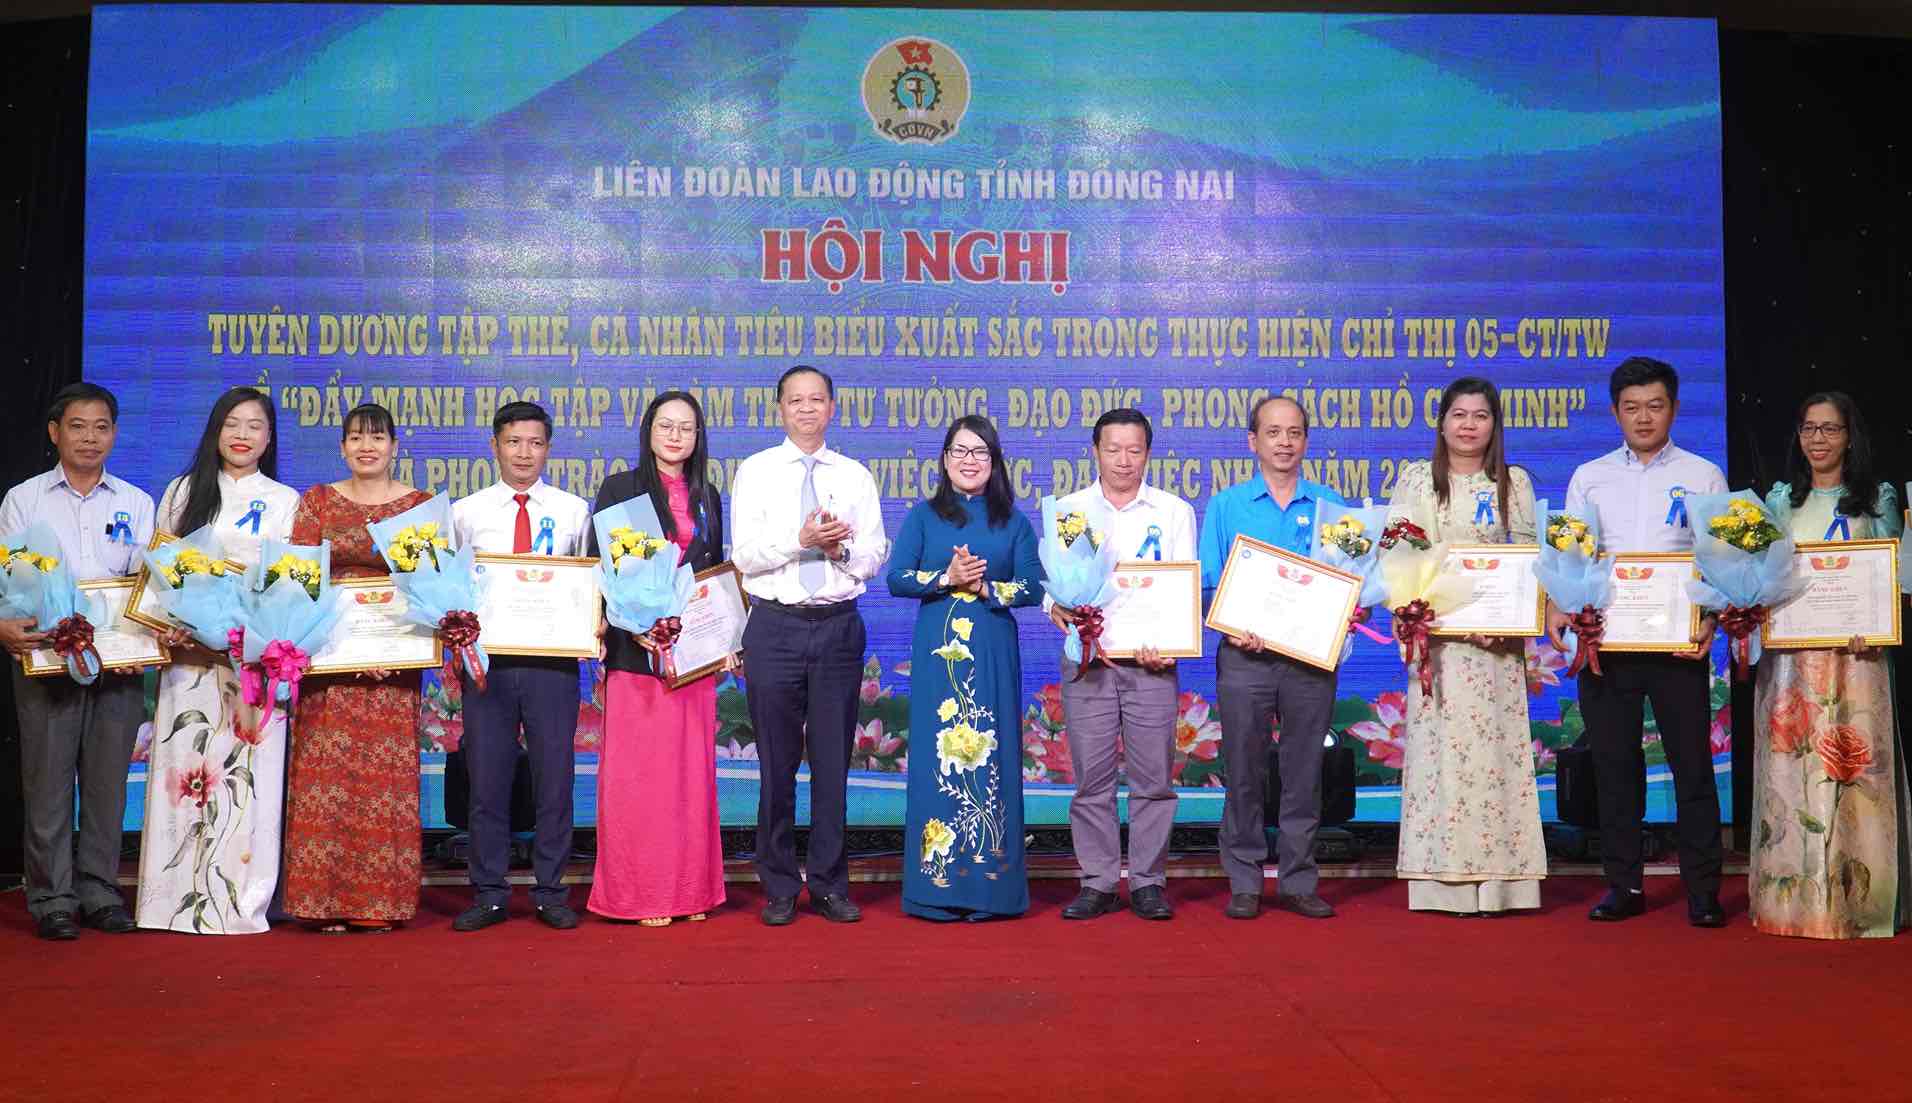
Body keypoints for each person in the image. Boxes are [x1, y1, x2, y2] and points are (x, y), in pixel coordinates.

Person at [1548, 356, 1727, 927]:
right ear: (1614, 412)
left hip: (1678, 648)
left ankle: (1703, 892)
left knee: (1692, 768)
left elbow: (1723, 561)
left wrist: (1713, 623)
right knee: (1613, 768)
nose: (1643, 417)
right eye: (1631, 407)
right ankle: (1622, 885)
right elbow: (1567, 556)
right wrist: (1556, 604)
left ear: (1673, 408)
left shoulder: (1704, 475)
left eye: (1655, 405)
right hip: (1609, 645)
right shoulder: (1588, 476)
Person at [136, 386, 299, 934]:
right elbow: (161, 573)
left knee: (246, 779)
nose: (243, 435)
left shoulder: (284, 500)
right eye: (233, 423)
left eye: (255, 425)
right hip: (190, 661)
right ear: (214, 430)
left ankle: (240, 903)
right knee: (187, 772)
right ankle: (172, 902)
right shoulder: (182, 492)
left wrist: (258, 639)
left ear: (269, 438)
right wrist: (176, 632)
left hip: (252, 666)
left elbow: (289, 588)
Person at [731, 365, 888, 925]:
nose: (806, 409)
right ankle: (777, 884)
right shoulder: (756, 471)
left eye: (816, 399)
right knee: (775, 764)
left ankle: (827, 883)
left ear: (831, 408)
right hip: (773, 626)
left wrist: (838, 550)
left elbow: (874, 554)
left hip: (838, 626)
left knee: (831, 763)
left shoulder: (855, 476)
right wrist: (799, 542)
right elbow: (744, 555)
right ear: (779, 409)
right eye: (795, 400)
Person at [1749, 391, 1907, 938]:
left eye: (1830, 429)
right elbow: (1760, 579)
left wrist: (1885, 621)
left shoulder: (1877, 498)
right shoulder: (1778, 500)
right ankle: (1793, 903)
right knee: (1792, 775)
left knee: (1855, 774)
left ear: (1849, 437)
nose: (1817, 439)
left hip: (1858, 662)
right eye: (1808, 428)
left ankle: (1859, 904)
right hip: (1792, 664)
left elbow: (1894, 579)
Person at [0, 383, 155, 940]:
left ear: (114, 434)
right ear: (54, 432)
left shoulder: (137, 502)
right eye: (78, 426)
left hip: (118, 665)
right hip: (44, 658)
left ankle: (100, 891)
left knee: (108, 783)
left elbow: (145, 585)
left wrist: (147, 641)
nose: (90, 438)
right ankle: (52, 898)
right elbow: (9, 581)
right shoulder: (24, 500)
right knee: (47, 782)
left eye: (101, 427)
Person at [1386, 378, 1546, 916]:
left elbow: (1529, 561)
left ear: (1495, 425)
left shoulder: (1514, 483)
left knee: (1498, 761)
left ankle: (1504, 885)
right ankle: (1441, 883)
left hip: (1499, 653)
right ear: (1441, 423)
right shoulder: (1417, 482)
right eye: (1459, 414)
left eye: (1481, 415)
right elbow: (1401, 564)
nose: (1469, 425)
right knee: (1443, 764)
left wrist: (1511, 621)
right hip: (1441, 653)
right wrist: (1457, 620)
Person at [885, 416, 1044, 921]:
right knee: (941, 763)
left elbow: (1033, 587)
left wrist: (987, 588)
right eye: (959, 451)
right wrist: (945, 576)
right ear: (945, 460)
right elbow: (897, 578)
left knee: (990, 762)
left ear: (994, 462)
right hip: (940, 654)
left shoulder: (1013, 522)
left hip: (993, 650)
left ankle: (990, 889)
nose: (970, 460)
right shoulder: (924, 517)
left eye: (980, 451)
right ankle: (936, 888)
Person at [281, 403, 432, 932]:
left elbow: (435, 591)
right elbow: (297, 584)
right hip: (329, 668)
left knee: (383, 788)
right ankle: (322, 905)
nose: (367, 447)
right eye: (355, 438)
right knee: (329, 783)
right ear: (342, 447)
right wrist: (340, 650)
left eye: (377, 438)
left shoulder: (422, 507)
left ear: (395, 445)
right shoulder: (317, 502)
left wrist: (392, 653)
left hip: (396, 671)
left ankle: (381, 905)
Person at [1198, 395, 1346, 920]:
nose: (1284, 442)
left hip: (1309, 660)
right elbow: (1210, 585)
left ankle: (1298, 879)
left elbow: (1351, 583)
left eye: (1295, 433)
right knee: (1243, 769)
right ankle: (1243, 878)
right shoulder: (1226, 506)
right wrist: (1236, 627)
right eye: (1273, 432)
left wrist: (1352, 607)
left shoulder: (1333, 507)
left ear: (1306, 441)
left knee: (1304, 769)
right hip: (1244, 657)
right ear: (1252, 442)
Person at [1044, 409, 1195, 921]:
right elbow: (1057, 587)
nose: (1124, 460)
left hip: (1152, 662)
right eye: (1113, 449)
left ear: (1147, 453)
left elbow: (1183, 586)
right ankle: (1099, 881)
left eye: (1134, 450)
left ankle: (1149, 881)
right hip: (1089, 660)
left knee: (1154, 778)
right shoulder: (1071, 511)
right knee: (1092, 779)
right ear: (1095, 451)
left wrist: (1173, 639)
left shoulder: (1173, 512)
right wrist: (1055, 608)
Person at [587, 391, 730, 926]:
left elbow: (715, 573)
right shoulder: (620, 489)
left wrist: (727, 639)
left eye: (686, 428)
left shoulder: (708, 496)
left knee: (689, 780)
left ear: (698, 438)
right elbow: (603, 569)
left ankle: (690, 892)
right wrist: (636, 625)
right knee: (640, 781)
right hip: (636, 655)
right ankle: (642, 894)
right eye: (665, 425)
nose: (675, 436)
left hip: (691, 658)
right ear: (648, 431)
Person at [448, 401, 589, 932]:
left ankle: (552, 891)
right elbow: (452, 588)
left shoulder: (574, 510)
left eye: (535, 443)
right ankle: (488, 892)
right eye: (513, 442)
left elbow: (586, 585)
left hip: (552, 665)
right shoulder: (465, 512)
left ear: (547, 449)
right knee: (488, 779)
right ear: (495, 447)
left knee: (555, 780)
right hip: (488, 665)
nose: (524, 453)